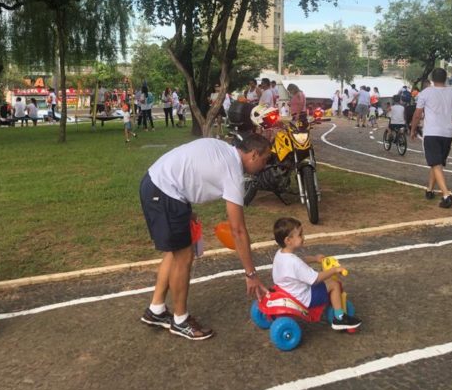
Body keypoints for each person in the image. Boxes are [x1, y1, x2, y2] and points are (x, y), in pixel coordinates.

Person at [139, 135, 271, 340]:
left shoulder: (225, 149)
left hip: (158, 184)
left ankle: (156, 310)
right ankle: (180, 321)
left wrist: (184, 208)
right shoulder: (233, 173)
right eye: (265, 160)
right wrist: (251, 274)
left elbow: (192, 167)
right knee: (184, 256)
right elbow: (238, 230)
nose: (264, 165)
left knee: (174, 253)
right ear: (254, 154)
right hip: (164, 191)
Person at [272, 217, 361, 331]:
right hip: (303, 298)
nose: (303, 237)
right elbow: (316, 279)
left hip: (287, 290)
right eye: (300, 235)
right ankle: (339, 318)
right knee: (333, 284)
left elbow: (299, 260)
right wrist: (334, 270)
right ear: (288, 240)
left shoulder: (280, 254)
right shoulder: (294, 263)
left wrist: (315, 258)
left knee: (326, 283)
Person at [409, 67, 452, 209]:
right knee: (437, 163)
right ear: (446, 78)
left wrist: (412, 129)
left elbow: (417, 114)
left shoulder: (425, 93)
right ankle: (429, 190)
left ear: (432, 79)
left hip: (431, 133)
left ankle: (446, 196)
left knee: (435, 163)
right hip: (448, 133)